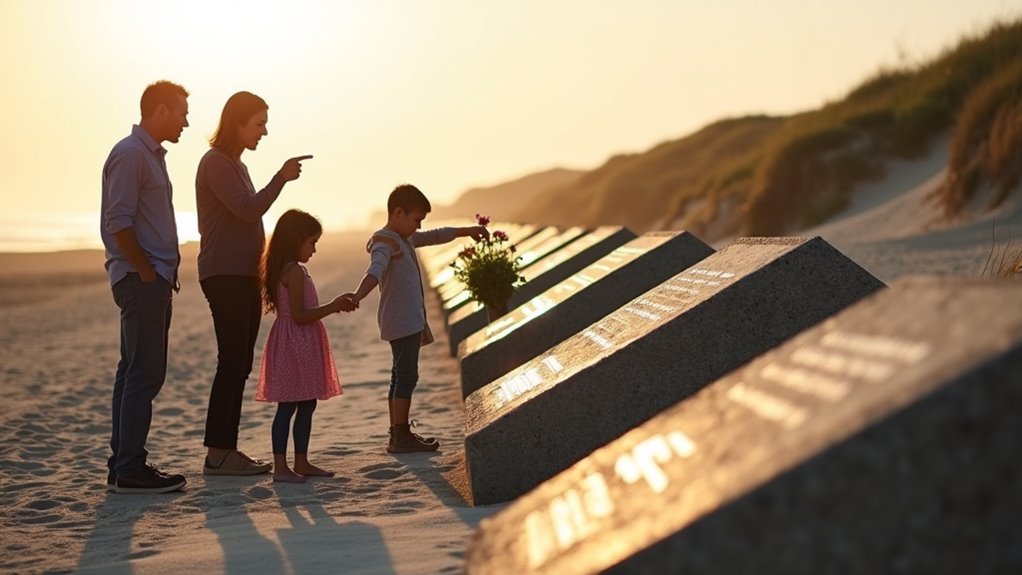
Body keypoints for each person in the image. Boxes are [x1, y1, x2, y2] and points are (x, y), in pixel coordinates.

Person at [196, 91, 313, 475]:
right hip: (223, 274)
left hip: (243, 274)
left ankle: (225, 450)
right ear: (237, 122)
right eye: (258, 123)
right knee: (231, 362)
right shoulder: (215, 162)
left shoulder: (235, 164)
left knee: (240, 362)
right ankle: (218, 453)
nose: (264, 131)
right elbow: (248, 209)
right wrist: (280, 178)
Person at [346, 184, 488, 452]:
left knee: (399, 376)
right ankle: (400, 436)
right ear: (398, 213)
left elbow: (435, 235)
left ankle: (397, 432)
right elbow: (374, 271)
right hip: (401, 322)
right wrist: (357, 295)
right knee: (406, 377)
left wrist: (466, 231)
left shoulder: (405, 238)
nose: (418, 227)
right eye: (416, 220)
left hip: (406, 320)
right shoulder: (386, 242)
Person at [101, 80, 190, 494]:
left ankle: (124, 463)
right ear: (159, 111)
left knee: (132, 370)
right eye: (181, 113)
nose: (186, 122)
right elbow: (118, 222)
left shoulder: (150, 155)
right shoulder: (132, 154)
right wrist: (145, 270)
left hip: (149, 278)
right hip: (140, 280)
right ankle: (131, 469)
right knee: (145, 372)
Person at [256, 209, 354, 483]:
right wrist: (333, 306)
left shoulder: (288, 268)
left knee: (307, 402)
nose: (314, 249)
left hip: (299, 341)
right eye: (312, 242)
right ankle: (281, 467)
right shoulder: (293, 272)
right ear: (295, 239)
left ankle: (301, 460)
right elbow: (299, 315)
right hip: (294, 342)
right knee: (287, 405)